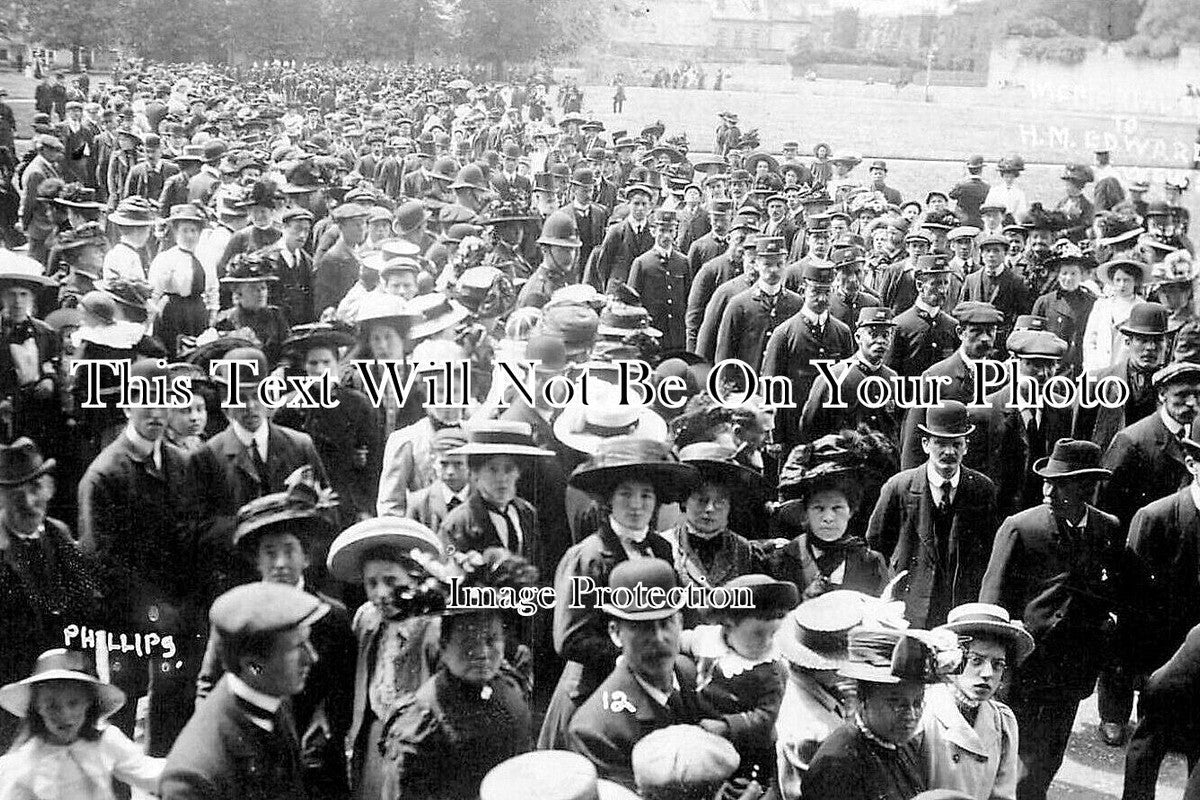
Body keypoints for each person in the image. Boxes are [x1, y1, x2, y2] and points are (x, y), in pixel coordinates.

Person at [194, 470, 355, 798]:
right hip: (255, 759)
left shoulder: (332, 618)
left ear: (306, 556)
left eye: (289, 550)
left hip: (319, 765)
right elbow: (209, 687)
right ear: (256, 560)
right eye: (270, 553)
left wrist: (325, 731)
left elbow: (344, 690)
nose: (280, 563)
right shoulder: (237, 616)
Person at [980, 439, 1121, 800]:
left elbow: (1117, 590)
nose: (1047, 489)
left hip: (1073, 671)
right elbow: (993, 599)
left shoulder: (1106, 529)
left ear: (1087, 486)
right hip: (1026, 666)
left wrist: (1106, 628)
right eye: (1046, 480)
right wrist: (999, 661)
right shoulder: (1021, 527)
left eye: (1060, 483)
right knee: (1010, 754)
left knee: (1048, 756)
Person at [538, 437, 697, 749]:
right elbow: (570, 639)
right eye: (626, 494)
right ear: (609, 499)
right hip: (595, 688)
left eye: (645, 495)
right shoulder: (589, 556)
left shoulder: (661, 548)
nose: (636, 505)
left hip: (650, 681)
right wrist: (632, 655)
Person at [379, 548, 537, 800]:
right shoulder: (420, 725)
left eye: (491, 639)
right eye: (468, 642)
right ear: (442, 646)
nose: (482, 653)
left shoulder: (509, 688)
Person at [160, 583, 329, 799]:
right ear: (253, 666)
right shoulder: (193, 779)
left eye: (308, 641)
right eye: (297, 647)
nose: (311, 657)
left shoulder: (270, 695)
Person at [324, 517, 444, 800]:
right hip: (376, 733)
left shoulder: (431, 626)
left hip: (418, 739)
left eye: (391, 581)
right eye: (372, 583)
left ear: (413, 579)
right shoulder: (366, 619)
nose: (381, 593)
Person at [567, 557, 707, 790]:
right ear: (615, 633)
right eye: (641, 627)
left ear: (681, 622)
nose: (658, 638)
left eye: (666, 622)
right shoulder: (596, 730)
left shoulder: (688, 672)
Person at [0, 438, 102, 750]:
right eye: (17, 496)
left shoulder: (58, 533)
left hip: (66, 686)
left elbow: (89, 602)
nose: (31, 502)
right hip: (11, 695)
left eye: (37, 490)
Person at [868, 401, 998, 629]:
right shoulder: (899, 487)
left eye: (956, 444)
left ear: (966, 446)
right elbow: (876, 547)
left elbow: (988, 551)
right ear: (926, 444)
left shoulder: (981, 489)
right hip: (908, 606)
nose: (949, 452)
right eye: (940, 443)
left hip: (958, 605)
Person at [802, 626, 962, 800]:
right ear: (862, 699)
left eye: (917, 703)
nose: (911, 715)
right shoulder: (837, 763)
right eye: (896, 703)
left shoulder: (899, 743)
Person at [0, 648, 164, 800]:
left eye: (74, 703)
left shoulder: (104, 741)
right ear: (37, 708)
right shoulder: (20, 764)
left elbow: (151, 773)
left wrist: (187, 761)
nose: (65, 715)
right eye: (51, 706)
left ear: (89, 703)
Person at [683, 574, 797, 789]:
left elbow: (767, 716)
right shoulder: (708, 640)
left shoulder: (771, 669)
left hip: (745, 741)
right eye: (758, 634)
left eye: (773, 633)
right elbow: (684, 641)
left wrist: (727, 727)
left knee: (743, 778)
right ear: (728, 625)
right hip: (703, 721)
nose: (767, 642)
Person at [921, 603, 1032, 800]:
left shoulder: (1002, 722)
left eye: (998, 665)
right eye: (976, 661)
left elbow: (1003, 795)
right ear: (952, 661)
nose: (987, 674)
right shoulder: (924, 713)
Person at [767, 435, 892, 598]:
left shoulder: (869, 563)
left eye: (837, 508)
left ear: (852, 511)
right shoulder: (784, 559)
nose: (828, 518)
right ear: (805, 513)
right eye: (819, 508)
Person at [667, 442, 764, 591]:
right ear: (684, 500)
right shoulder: (665, 544)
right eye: (701, 500)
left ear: (730, 505)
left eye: (720, 502)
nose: (710, 509)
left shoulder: (746, 551)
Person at [801, 306, 902, 444]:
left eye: (886, 335)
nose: (880, 341)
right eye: (873, 334)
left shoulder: (892, 378)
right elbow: (810, 428)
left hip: (881, 463)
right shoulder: (834, 377)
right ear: (858, 337)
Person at [1082, 258, 1147, 374]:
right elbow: (1090, 338)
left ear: (1135, 281)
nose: (1122, 285)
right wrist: (1090, 365)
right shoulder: (1102, 305)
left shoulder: (1141, 307)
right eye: (1118, 280)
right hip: (1100, 366)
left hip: (1127, 368)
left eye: (1126, 280)